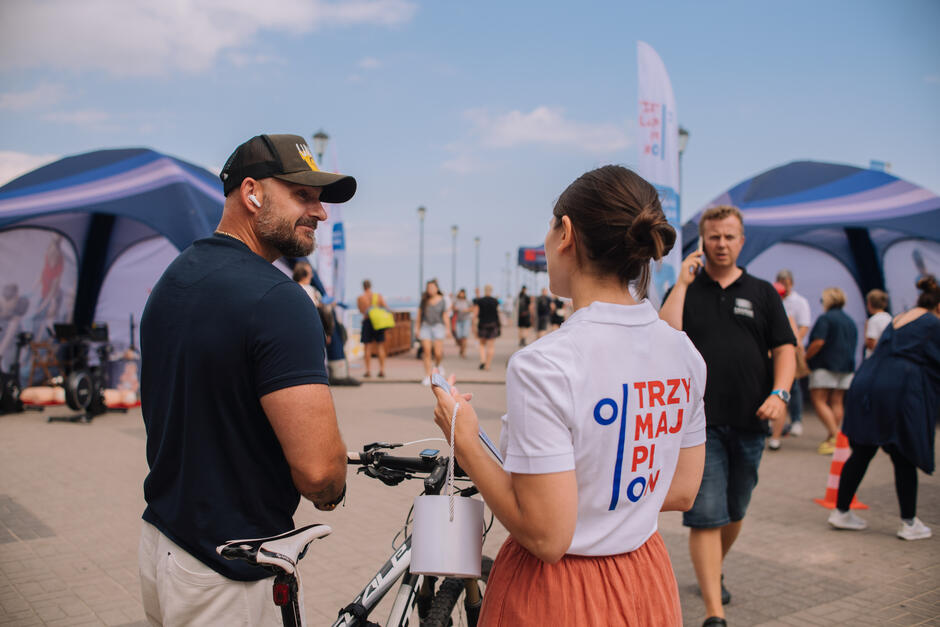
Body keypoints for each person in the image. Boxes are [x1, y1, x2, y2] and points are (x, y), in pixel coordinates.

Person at [431, 165, 707, 625]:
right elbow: (681, 490)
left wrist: (465, 439)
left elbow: (547, 537)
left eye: (549, 226)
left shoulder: (545, 363)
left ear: (567, 234)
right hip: (644, 576)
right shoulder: (683, 353)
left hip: (558, 592)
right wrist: (609, 507)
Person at [138, 134, 351, 625]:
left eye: (320, 199)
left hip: (165, 544)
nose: (320, 213)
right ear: (252, 193)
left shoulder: (176, 277)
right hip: (230, 570)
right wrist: (333, 487)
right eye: (303, 195)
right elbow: (319, 471)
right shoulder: (278, 301)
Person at [659, 205, 795, 627]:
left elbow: (785, 349)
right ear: (703, 241)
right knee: (707, 514)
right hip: (700, 426)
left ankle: (712, 571)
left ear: (742, 240)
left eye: (729, 236)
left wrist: (781, 393)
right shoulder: (688, 289)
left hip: (751, 419)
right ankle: (714, 614)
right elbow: (666, 335)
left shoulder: (762, 292)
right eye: (713, 237)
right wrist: (681, 282)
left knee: (735, 510)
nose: (721, 244)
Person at [828, 275, 939, 540]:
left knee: (863, 450)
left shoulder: (902, 317)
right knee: (904, 453)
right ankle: (909, 523)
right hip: (897, 388)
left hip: (867, 382)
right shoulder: (932, 323)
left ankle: (841, 512)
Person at [806, 287, 858, 455]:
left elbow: (818, 342)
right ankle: (832, 437)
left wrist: (806, 356)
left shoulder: (825, 319)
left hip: (825, 365)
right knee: (837, 401)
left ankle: (836, 436)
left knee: (819, 400)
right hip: (846, 367)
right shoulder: (850, 321)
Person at [776, 269, 812, 437]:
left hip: (793, 347)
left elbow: (804, 325)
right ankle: (777, 424)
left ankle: (796, 420)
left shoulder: (800, 302)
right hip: (775, 348)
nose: (784, 286)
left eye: (786, 283)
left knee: (794, 386)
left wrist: (793, 342)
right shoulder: (774, 298)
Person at [416, 278, 449, 386]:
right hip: (425, 327)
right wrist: (417, 328)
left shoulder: (442, 300)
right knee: (426, 351)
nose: (430, 289)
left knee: (438, 353)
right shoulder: (424, 300)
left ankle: (438, 365)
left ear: (437, 288)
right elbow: (419, 315)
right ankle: (427, 376)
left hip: (438, 326)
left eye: (432, 287)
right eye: (428, 288)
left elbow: (444, 315)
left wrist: (448, 329)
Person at [357, 279, 388, 378]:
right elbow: (385, 307)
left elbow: (362, 311)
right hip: (378, 323)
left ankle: (368, 370)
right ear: (370, 286)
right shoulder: (378, 296)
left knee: (367, 347)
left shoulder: (361, 298)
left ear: (363, 287)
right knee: (380, 346)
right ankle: (382, 370)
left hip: (367, 322)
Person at [474, 284, 501, 371]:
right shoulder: (495, 301)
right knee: (491, 346)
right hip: (493, 324)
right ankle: (488, 365)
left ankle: (483, 360)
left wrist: (474, 325)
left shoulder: (480, 301)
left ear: (484, 290)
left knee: (482, 344)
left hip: (483, 324)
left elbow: (476, 314)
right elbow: (498, 313)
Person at [863, 289, 891, 358]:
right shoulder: (889, 318)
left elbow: (871, 343)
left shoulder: (873, 320)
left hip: (874, 359)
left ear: (869, 303)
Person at [452, 288, 474, 358]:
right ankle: (461, 348)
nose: (461, 294)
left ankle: (464, 352)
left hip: (466, 320)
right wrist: (455, 309)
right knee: (459, 336)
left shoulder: (468, 301)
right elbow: (452, 308)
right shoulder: (456, 301)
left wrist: (466, 310)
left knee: (464, 337)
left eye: (463, 293)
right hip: (458, 320)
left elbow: (472, 308)